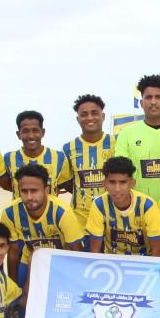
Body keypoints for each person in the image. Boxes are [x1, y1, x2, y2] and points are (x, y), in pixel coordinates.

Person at [0, 163, 84, 289]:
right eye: (24, 191)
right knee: (21, 294)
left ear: (46, 190)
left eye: (34, 191)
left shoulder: (62, 212)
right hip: (30, 260)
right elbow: (13, 252)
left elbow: (76, 253)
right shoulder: (9, 213)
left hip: (60, 262)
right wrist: (12, 288)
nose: (29, 197)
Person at [86, 157, 160, 256]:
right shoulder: (99, 205)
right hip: (112, 261)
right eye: (112, 182)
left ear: (132, 183)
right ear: (104, 184)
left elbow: (158, 251)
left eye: (123, 182)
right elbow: (95, 250)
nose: (117, 189)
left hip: (145, 261)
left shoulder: (147, 205)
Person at [62, 94, 116, 226]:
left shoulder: (117, 143)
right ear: (78, 119)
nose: (90, 118)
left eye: (94, 113)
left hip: (112, 217)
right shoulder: (68, 148)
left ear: (103, 116)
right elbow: (68, 183)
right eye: (84, 114)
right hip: (80, 220)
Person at [3, 110, 71, 200]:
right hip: (18, 209)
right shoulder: (9, 158)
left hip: (50, 209)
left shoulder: (59, 158)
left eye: (35, 130)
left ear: (43, 132)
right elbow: (7, 185)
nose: (31, 136)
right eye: (25, 131)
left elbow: (64, 184)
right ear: (18, 134)